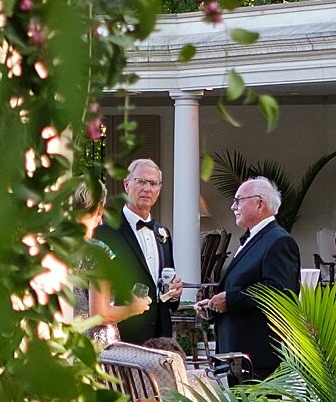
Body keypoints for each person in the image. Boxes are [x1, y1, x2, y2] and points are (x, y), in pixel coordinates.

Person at [200, 176, 301, 380]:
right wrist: (213, 305)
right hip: (237, 355)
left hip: (257, 358)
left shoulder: (278, 241)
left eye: (238, 200)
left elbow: (279, 292)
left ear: (260, 203)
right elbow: (240, 286)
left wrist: (231, 300)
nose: (232, 206)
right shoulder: (253, 239)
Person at [97, 157, 183, 345]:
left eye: (153, 183)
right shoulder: (106, 232)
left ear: (159, 190)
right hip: (125, 334)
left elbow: (165, 283)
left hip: (161, 336)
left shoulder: (163, 233)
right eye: (141, 181)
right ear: (127, 184)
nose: (147, 189)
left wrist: (174, 292)